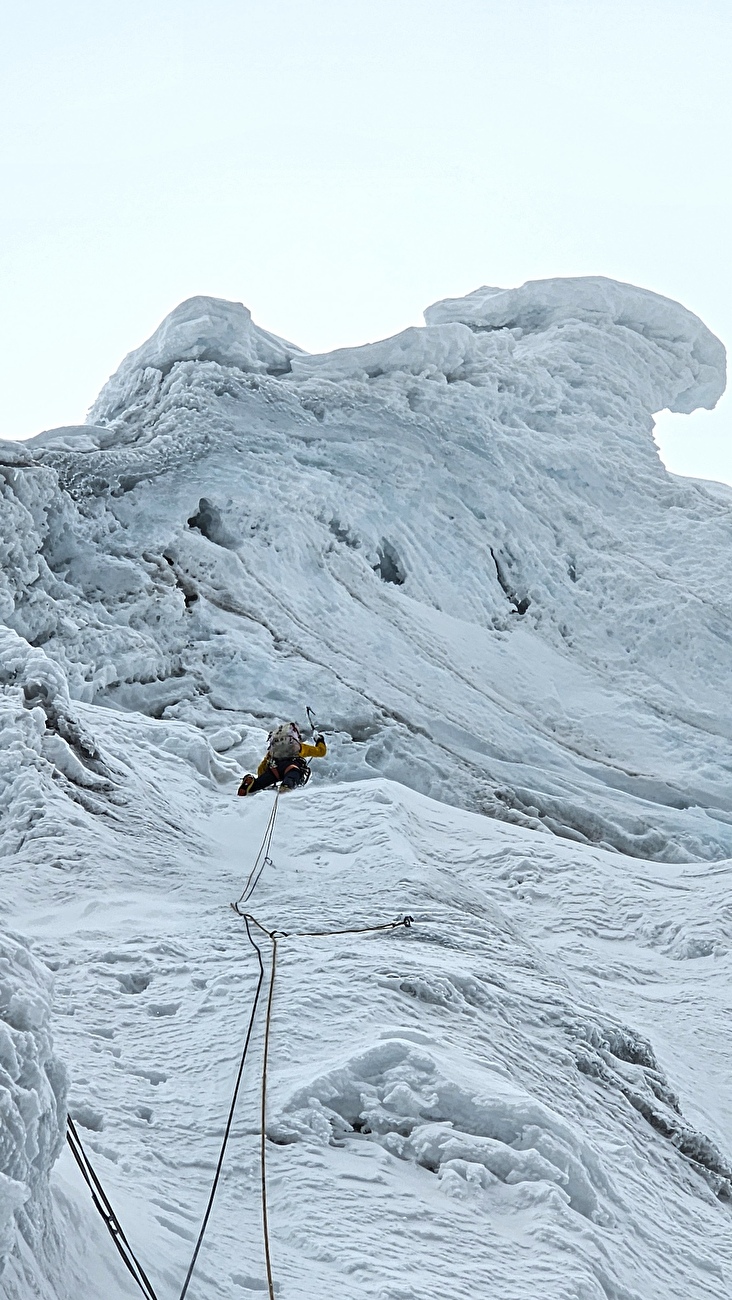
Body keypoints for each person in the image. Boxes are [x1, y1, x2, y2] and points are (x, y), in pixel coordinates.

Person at [237, 721, 327, 796]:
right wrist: (320, 740)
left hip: (274, 769)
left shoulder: (273, 751)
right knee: (293, 774)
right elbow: (321, 752)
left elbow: (261, 768)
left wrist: (262, 775)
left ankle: (251, 785)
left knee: (262, 781)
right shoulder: (299, 747)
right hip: (291, 766)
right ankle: (286, 785)